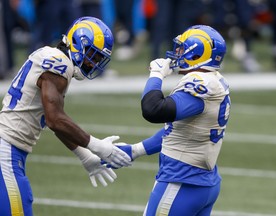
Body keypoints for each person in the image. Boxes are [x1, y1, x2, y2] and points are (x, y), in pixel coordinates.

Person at [0, 16, 132, 216]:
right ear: (79, 44)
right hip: (6, 153)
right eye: (92, 56)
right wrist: (97, 146)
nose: (93, 63)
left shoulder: (50, 56)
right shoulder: (59, 63)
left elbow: (51, 117)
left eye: (97, 59)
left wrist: (85, 155)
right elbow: (55, 119)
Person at [116, 25, 231, 215]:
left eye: (183, 48)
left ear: (197, 55)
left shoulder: (200, 83)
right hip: (202, 182)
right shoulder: (214, 80)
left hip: (183, 181)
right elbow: (179, 131)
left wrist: (156, 75)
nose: (178, 52)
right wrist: (136, 150)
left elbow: (153, 110)